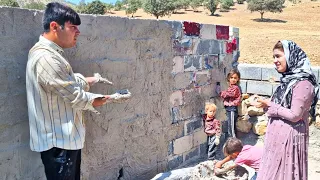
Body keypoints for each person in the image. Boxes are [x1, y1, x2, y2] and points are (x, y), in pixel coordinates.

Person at [26, 3, 130, 180]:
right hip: (58, 145)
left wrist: (92, 79)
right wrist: (111, 98)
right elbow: (77, 97)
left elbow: (66, 83)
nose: (78, 32)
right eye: (72, 27)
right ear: (54, 26)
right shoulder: (47, 58)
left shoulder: (50, 54)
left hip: (61, 142)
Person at [255, 40, 319, 180]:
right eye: (274, 57)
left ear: (291, 56)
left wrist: (272, 106)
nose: (275, 61)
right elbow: (281, 107)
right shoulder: (287, 81)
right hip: (277, 137)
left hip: (289, 139)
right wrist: (267, 104)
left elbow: (295, 115)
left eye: (278, 56)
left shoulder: (303, 83)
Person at [216, 69, 241, 138]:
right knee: (231, 126)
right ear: (228, 78)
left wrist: (219, 92)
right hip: (229, 109)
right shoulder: (231, 87)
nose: (233, 79)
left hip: (232, 109)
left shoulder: (235, 88)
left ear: (238, 79)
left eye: (235, 78)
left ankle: (234, 144)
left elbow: (228, 94)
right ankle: (233, 143)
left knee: (231, 128)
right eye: (231, 78)